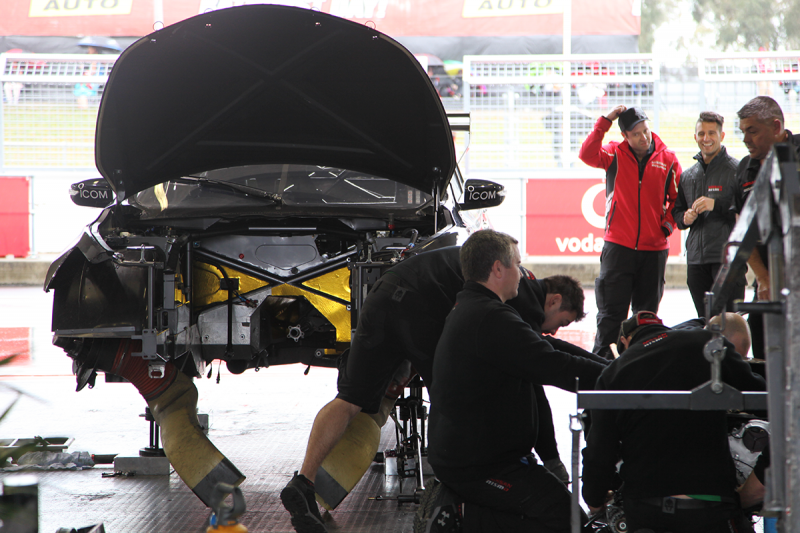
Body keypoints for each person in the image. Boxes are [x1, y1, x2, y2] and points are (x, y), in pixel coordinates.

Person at [280, 244, 605, 533]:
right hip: (420, 305)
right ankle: (460, 483)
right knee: (452, 388)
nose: (554, 331)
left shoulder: (508, 279)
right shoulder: (521, 293)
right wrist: (549, 458)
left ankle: (304, 482)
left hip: (386, 290)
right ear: (554, 300)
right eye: (561, 323)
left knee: (350, 398)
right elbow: (535, 372)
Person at [427, 230, 606, 532]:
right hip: (479, 466)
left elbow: (548, 348)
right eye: (518, 267)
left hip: (483, 457)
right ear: (498, 269)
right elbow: (553, 365)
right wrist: (615, 378)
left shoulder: (475, 308)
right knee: (568, 520)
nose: (523, 277)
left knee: (563, 510)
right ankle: (461, 516)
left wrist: (612, 368)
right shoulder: (490, 318)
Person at [582, 311, 766, 533]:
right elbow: (765, 399)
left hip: (646, 509)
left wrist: (594, 499)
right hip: (711, 506)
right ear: (663, 328)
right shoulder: (706, 341)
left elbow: (598, 453)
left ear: (625, 341)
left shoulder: (612, 373)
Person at [579, 105, 682, 360]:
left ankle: (640, 368)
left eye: (645, 130)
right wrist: (606, 121)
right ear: (625, 135)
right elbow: (586, 154)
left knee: (645, 317)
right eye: (636, 134)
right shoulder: (614, 153)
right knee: (610, 315)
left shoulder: (667, 158)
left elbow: (678, 199)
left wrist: (666, 226)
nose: (643, 137)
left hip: (654, 251)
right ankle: (602, 372)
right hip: (618, 248)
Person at [736, 96, 800, 359]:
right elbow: (743, 226)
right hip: (769, 279)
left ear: (776, 127)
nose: (745, 139)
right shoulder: (745, 169)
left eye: (752, 131)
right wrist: (763, 278)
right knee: (763, 347)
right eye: (742, 132)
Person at [672, 111, 746, 317]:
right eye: (701, 133)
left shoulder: (738, 169)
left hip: (727, 260)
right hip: (696, 261)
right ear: (695, 136)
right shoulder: (687, 176)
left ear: (722, 136)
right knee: (706, 324)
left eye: (711, 133)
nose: (706, 138)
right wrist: (684, 218)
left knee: (731, 323)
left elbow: (747, 211)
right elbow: (677, 212)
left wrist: (716, 204)